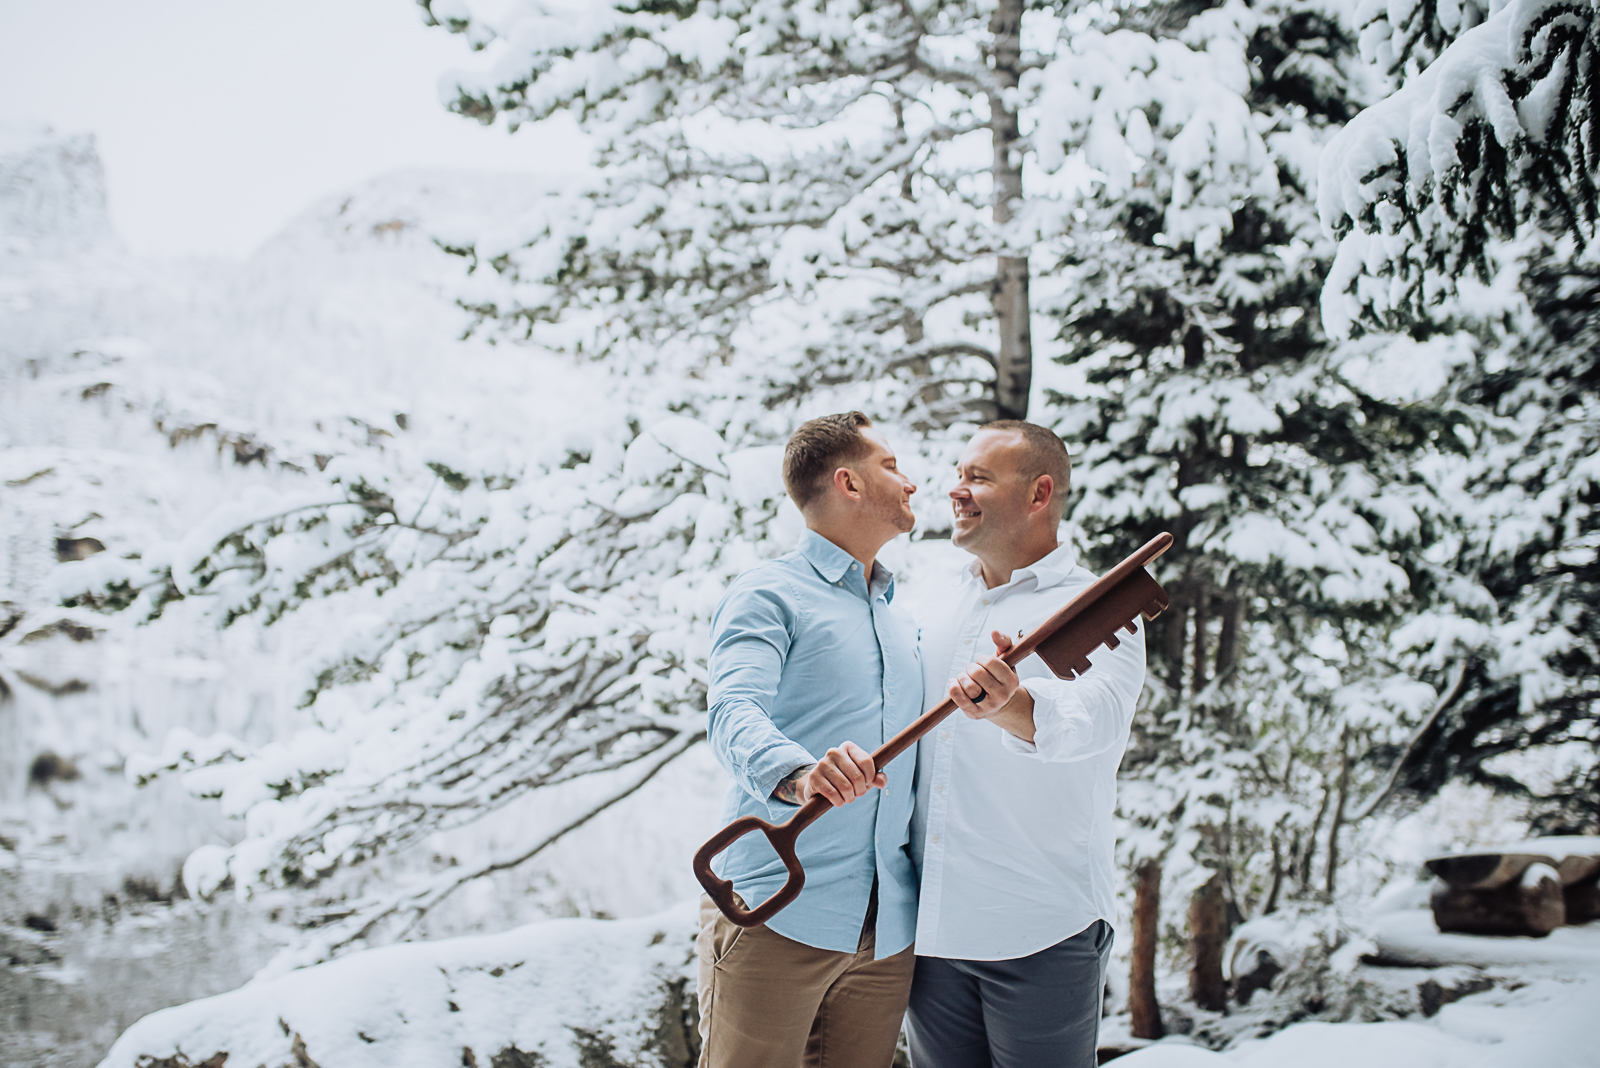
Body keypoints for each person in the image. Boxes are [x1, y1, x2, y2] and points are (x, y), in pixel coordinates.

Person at [906, 420, 1148, 1068]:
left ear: (1040, 493)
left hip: (1042, 926)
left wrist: (1014, 706)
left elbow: (1099, 718)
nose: (956, 490)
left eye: (977, 477)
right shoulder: (928, 600)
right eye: (958, 474)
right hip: (932, 933)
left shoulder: (1099, 603)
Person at [698, 411, 924, 1068]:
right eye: (891, 465)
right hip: (776, 912)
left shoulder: (901, 619)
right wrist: (801, 774)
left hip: (886, 932)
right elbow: (733, 709)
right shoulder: (769, 593)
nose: (909, 482)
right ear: (848, 483)